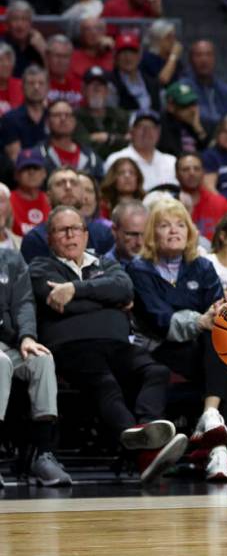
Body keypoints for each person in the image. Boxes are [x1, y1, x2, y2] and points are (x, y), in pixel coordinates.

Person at [30, 206, 185, 483]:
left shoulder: (106, 263)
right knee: (106, 385)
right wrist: (107, 301)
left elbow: (124, 289)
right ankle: (143, 454)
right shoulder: (41, 267)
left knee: (156, 372)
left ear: (86, 234)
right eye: (61, 230)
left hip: (116, 345)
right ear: (50, 238)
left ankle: (145, 429)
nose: (70, 235)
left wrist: (75, 290)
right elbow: (54, 299)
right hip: (71, 346)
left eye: (75, 228)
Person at [126, 198, 227, 481]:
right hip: (158, 346)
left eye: (180, 225)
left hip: (200, 345)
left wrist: (208, 318)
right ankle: (215, 447)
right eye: (164, 226)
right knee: (223, 357)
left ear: (190, 232)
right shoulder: (139, 269)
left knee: (225, 346)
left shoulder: (201, 265)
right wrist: (199, 320)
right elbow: (158, 319)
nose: (174, 231)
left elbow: (215, 308)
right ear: (153, 234)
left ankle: (210, 423)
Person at [0, 246, 69, 487]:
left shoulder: (10, 258)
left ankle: (42, 456)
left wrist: (27, 336)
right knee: (1, 363)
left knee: (41, 359)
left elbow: (24, 303)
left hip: (9, 341)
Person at [21, 166, 113, 262]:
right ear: (48, 196)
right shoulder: (36, 239)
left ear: (82, 195)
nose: (68, 187)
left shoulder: (103, 234)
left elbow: (114, 272)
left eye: (74, 183)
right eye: (60, 184)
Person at [105, 110, 178, 192]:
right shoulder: (116, 159)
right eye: (141, 127)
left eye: (152, 127)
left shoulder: (171, 161)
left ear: (158, 132)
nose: (147, 131)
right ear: (131, 131)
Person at [175, 152, 227, 241]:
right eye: (186, 169)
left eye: (196, 169)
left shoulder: (220, 203)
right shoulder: (171, 205)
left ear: (203, 172)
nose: (192, 173)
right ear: (176, 174)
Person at [37, 101, 104, 179]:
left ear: (75, 121)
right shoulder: (37, 155)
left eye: (68, 115)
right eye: (57, 115)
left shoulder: (92, 158)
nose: (63, 119)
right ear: (47, 122)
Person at [74, 65, 129, 159]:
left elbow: (129, 141)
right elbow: (81, 143)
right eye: (92, 85)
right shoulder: (75, 116)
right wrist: (116, 139)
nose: (97, 89)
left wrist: (107, 137)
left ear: (107, 91)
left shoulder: (120, 115)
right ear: (83, 90)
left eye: (101, 85)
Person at [179, 40, 227, 130]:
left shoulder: (225, 90)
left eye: (208, 55)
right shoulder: (183, 88)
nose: (204, 60)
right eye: (198, 55)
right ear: (190, 60)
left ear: (214, 59)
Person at [1, 63, 48, 161]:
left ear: (48, 87)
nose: (36, 87)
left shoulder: (53, 116)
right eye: (31, 83)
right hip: (24, 170)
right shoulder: (10, 119)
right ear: (22, 87)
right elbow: (15, 158)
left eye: (41, 83)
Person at [109, 32, 161, 114]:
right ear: (115, 56)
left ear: (139, 55)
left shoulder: (152, 83)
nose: (128, 57)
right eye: (123, 52)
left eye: (132, 52)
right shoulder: (110, 83)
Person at [9, 148, 48, 236]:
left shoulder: (50, 200)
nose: (31, 172)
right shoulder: (7, 200)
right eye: (25, 168)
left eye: (36, 167)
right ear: (16, 174)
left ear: (44, 173)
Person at [44, 34, 82, 108]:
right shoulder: (37, 83)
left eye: (65, 56)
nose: (61, 61)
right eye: (57, 55)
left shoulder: (80, 83)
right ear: (47, 56)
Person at [105, 199, 147, 266]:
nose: (139, 243)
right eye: (132, 234)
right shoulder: (103, 269)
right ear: (114, 231)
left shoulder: (157, 266)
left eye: (145, 234)